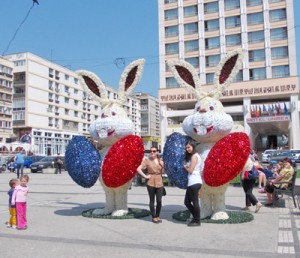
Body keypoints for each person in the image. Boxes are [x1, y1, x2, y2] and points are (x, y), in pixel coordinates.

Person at [137, 147, 164, 223]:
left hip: (159, 182)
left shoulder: (160, 161)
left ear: (157, 152)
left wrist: (163, 165)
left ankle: (158, 216)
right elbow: (138, 169)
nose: (152, 152)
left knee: (159, 201)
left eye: (154, 151)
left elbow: (164, 172)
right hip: (151, 182)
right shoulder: (147, 161)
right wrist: (145, 176)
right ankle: (154, 217)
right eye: (151, 151)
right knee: (152, 200)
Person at [183, 140, 202, 227]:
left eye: (189, 147)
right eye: (186, 148)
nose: (187, 149)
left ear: (193, 147)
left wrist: (185, 167)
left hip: (194, 181)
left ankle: (197, 220)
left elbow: (190, 170)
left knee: (194, 202)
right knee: (187, 202)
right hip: (193, 181)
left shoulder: (194, 156)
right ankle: (195, 218)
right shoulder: (194, 156)